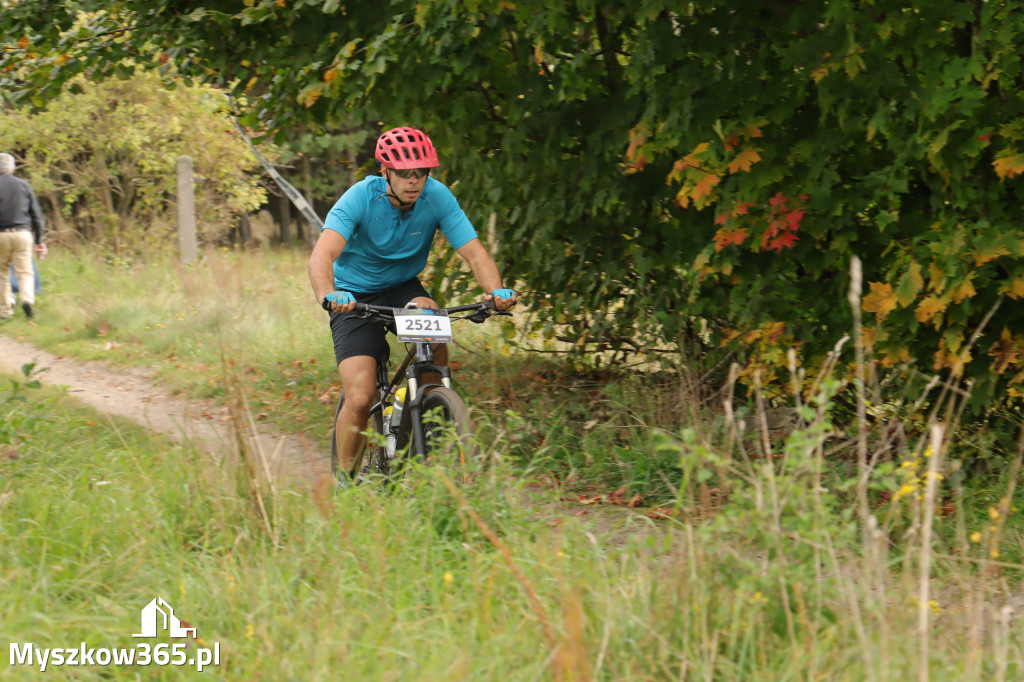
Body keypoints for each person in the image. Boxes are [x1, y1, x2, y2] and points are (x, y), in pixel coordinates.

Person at [308, 126, 517, 487]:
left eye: (421, 172)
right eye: (404, 172)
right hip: (353, 296)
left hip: (404, 287)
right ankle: (344, 483)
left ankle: (426, 414)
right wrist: (330, 294)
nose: (414, 180)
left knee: (433, 330)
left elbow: (474, 252)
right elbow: (322, 254)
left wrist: (496, 291)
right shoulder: (358, 198)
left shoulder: (437, 197)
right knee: (360, 395)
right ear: (384, 171)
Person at [0, 153, 47, 320]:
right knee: (25, 271)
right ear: (12, 168)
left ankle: (5, 311)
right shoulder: (24, 185)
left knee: (2, 274)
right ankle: (27, 300)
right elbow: (36, 215)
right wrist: (39, 240)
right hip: (22, 233)